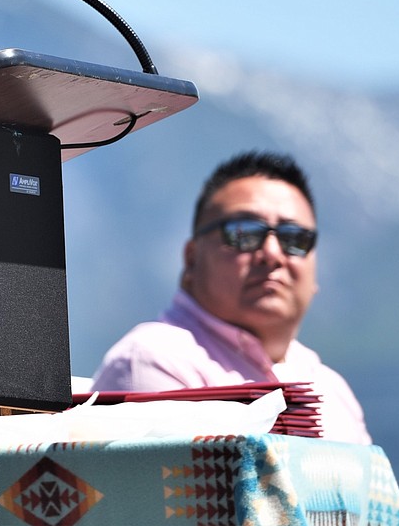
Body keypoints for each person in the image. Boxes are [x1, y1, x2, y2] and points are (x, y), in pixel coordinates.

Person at [91, 150, 371, 444]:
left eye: (294, 239)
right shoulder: (154, 361)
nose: (272, 254)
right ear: (192, 258)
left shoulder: (333, 391)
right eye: (244, 233)